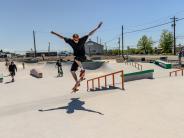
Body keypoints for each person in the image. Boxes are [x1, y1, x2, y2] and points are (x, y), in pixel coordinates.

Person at [51, 22, 103, 91]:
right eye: (75, 39)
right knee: (72, 71)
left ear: (78, 38)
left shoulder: (82, 39)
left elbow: (90, 34)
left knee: (75, 58)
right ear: (73, 38)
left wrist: (97, 28)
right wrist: (55, 33)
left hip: (82, 57)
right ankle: (77, 83)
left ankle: (82, 69)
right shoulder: (70, 41)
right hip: (77, 59)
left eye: (77, 39)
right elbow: (62, 37)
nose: (76, 40)